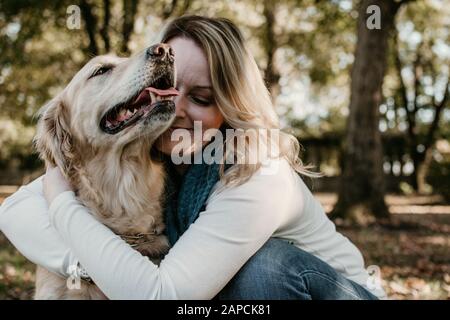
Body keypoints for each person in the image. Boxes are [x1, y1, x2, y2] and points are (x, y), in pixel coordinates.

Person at [0, 15, 385, 300]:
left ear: (231, 110)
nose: (175, 107)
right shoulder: (150, 149)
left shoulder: (256, 172)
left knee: (265, 267)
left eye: (201, 98)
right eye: (164, 85)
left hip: (338, 291)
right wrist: (91, 266)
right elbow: (15, 212)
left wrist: (64, 206)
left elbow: (164, 297)